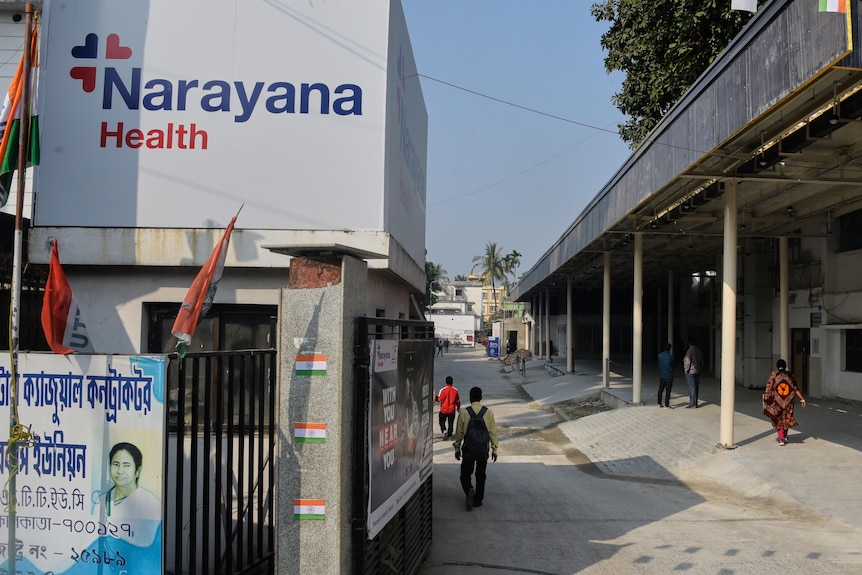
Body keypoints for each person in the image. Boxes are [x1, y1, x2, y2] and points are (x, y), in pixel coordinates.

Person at [453, 386, 498, 511]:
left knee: (465, 474)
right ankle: (478, 500)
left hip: (468, 450)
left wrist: (457, 449)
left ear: (470, 397)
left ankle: (469, 490)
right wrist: (494, 449)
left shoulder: (464, 412)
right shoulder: (488, 413)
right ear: (481, 398)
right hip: (482, 450)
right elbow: (493, 432)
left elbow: (459, 433)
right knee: (481, 475)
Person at [103, 442, 161, 520]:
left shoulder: (151, 504)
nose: (120, 471)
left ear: (137, 470)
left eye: (126, 465)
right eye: (116, 464)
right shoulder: (102, 500)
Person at [763, 359, 806, 446]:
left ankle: (781, 438)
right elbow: (795, 388)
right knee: (787, 418)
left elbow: (768, 388)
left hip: (777, 403)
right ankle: (785, 436)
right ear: (785, 366)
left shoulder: (774, 376)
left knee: (778, 420)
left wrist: (767, 400)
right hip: (789, 403)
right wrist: (802, 399)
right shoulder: (790, 376)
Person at [683, 339, 704, 408]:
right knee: (696, 387)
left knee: (692, 387)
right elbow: (702, 361)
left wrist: (686, 370)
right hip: (698, 371)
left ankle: (692, 403)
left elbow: (687, 361)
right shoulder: (699, 351)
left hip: (691, 371)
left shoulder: (689, 351)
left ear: (689, 344)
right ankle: (695, 402)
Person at [657, 343, 674, 408]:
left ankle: (659, 403)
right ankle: (666, 404)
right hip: (669, 376)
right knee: (668, 391)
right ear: (670, 348)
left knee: (660, 390)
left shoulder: (660, 356)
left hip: (662, 375)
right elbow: (673, 365)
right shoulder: (671, 356)